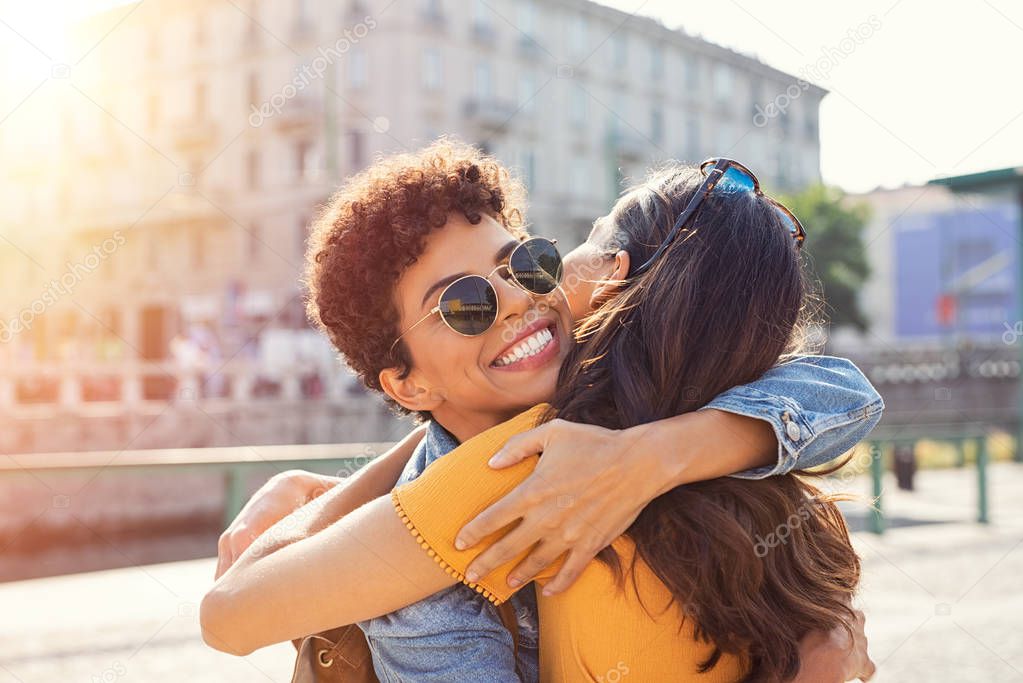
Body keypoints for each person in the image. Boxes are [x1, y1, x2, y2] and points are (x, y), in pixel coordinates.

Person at [203, 143, 879, 681]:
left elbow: (844, 392)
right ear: (406, 385)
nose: (516, 300)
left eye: (526, 263)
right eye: (465, 305)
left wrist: (651, 454)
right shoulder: (453, 530)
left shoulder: (620, 415)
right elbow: (842, 395)